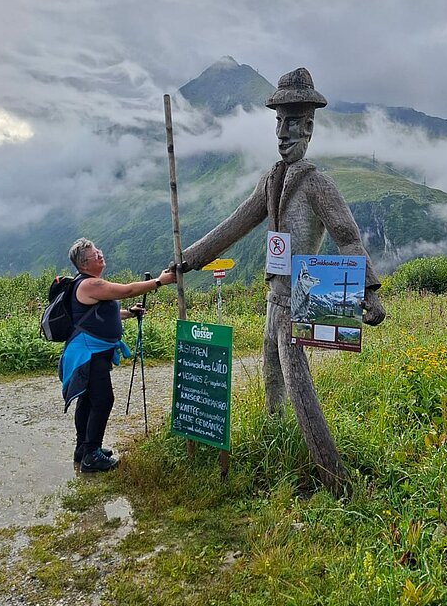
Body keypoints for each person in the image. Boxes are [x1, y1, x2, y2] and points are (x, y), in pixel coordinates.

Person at [178, 68, 385, 496]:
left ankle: (337, 483)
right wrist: (189, 259)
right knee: (272, 380)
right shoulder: (270, 181)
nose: (282, 132)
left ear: (308, 127)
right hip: (273, 302)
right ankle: (277, 454)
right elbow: (233, 225)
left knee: (299, 388)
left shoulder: (318, 185)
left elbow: (347, 237)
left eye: (292, 122)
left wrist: (369, 290)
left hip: (299, 302)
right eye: (278, 121)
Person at [60, 238, 176, 473]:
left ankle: (83, 449)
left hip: (91, 352)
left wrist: (129, 313)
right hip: (88, 354)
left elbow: (100, 312)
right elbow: (128, 290)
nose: (100, 255)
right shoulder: (89, 284)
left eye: (99, 251)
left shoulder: (87, 284)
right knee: (103, 400)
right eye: (95, 255)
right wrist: (159, 281)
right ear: (84, 264)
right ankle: (91, 456)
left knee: (88, 400)